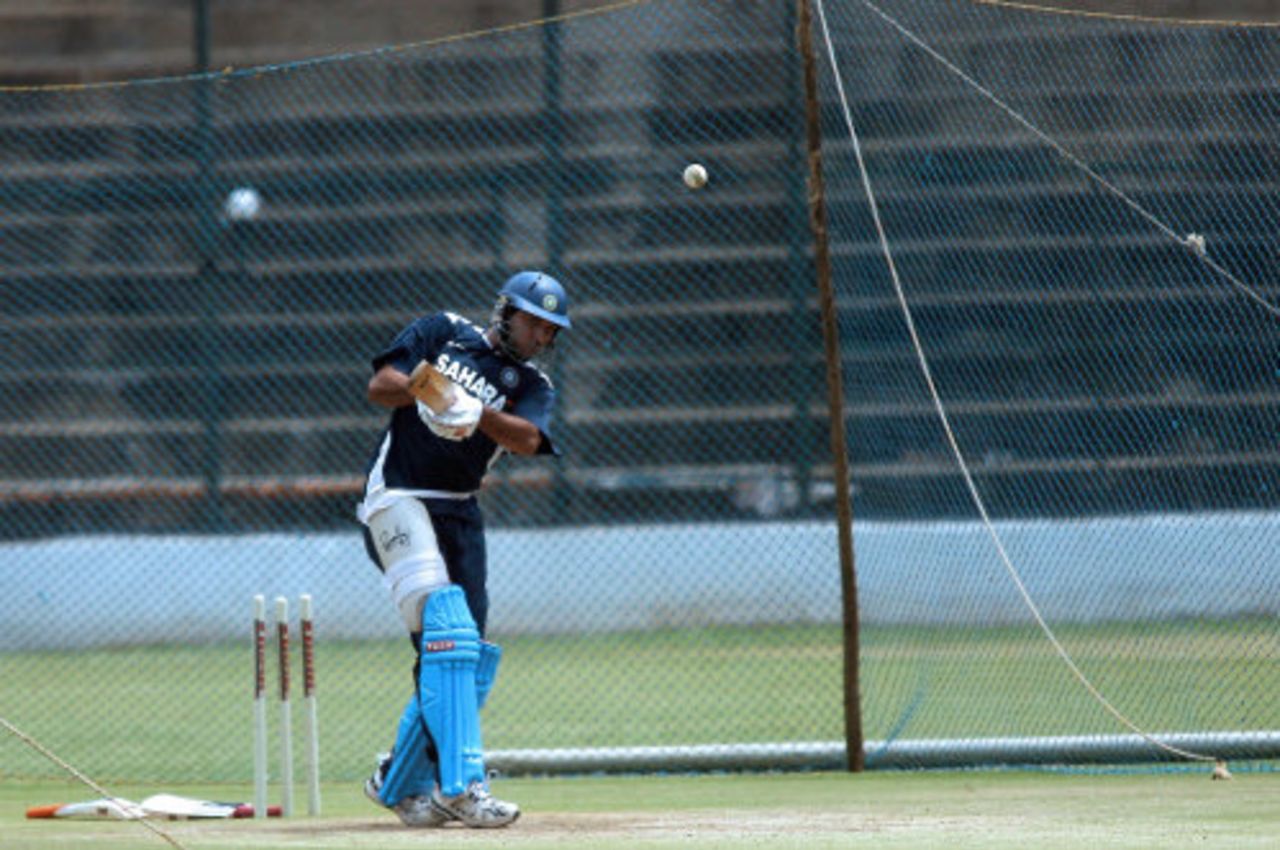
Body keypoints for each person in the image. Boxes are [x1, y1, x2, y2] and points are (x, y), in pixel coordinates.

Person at [356, 270, 571, 828]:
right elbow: (381, 385)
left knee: (465, 655)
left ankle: (399, 779)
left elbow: (527, 439)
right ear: (506, 312)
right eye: (534, 323)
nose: (541, 338)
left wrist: (476, 413)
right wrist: (428, 389)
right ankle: (462, 787)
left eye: (550, 331)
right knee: (447, 630)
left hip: (460, 511)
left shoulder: (531, 384)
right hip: (397, 497)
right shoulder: (441, 331)